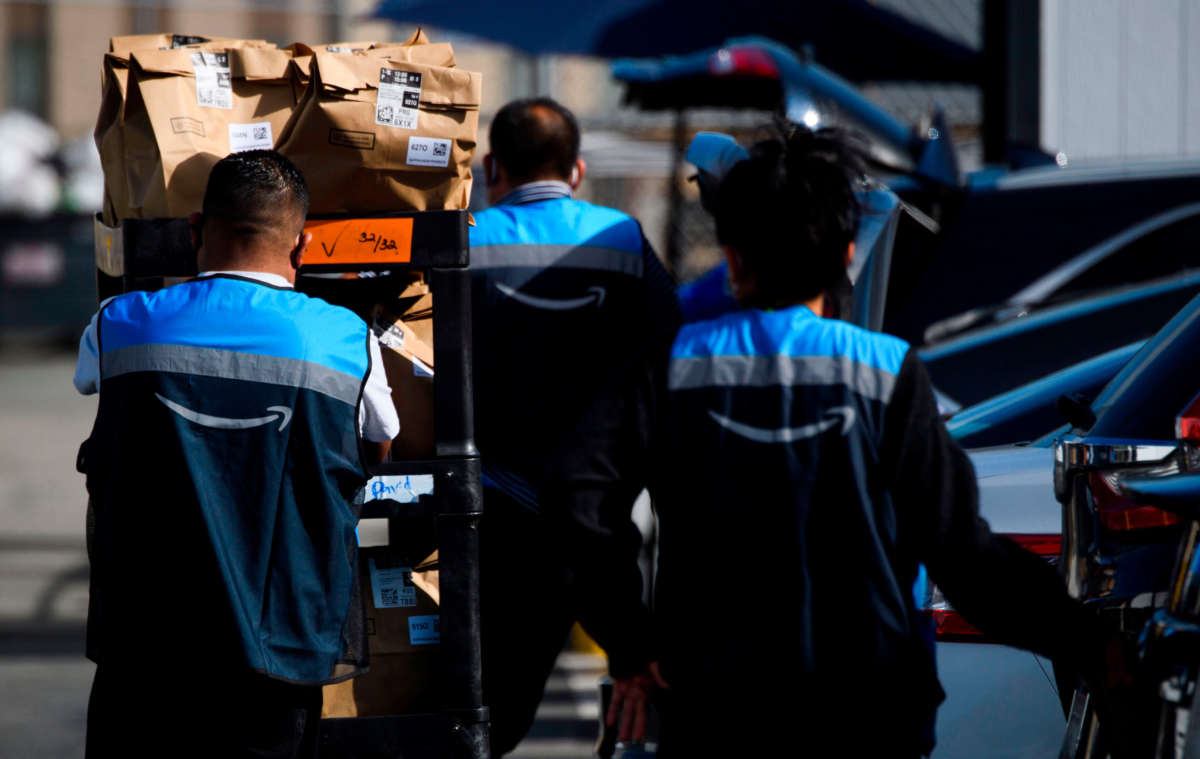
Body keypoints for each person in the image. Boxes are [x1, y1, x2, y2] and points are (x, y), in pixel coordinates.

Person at [645, 126, 1105, 756]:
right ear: (846, 256)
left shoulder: (675, 367)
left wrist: (629, 646)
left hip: (714, 714)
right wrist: (1090, 645)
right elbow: (961, 553)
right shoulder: (885, 372)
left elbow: (584, 502)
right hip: (867, 712)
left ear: (732, 261)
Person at [73, 150, 400, 758]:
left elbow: (91, 386)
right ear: (301, 246)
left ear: (196, 230)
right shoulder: (348, 340)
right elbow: (378, 443)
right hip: (280, 653)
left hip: (143, 651)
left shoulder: (118, 324)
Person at [468, 97, 680, 755]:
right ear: (578, 170)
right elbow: (669, 355)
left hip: (486, 516)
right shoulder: (621, 239)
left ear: (489, 164)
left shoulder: (462, 239)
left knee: (485, 716)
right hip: (594, 527)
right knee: (604, 681)